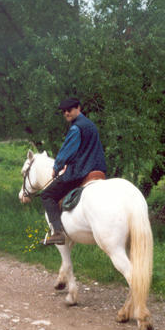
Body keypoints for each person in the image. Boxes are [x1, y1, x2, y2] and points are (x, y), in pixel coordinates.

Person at [41, 97, 107, 245]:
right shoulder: (90, 125)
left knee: (46, 195)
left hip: (80, 172)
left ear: (79, 108)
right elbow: (87, 150)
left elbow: (66, 151)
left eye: (69, 110)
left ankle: (57, 233)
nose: (66, 113)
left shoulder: (76, 128)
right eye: (64, 111)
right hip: (98, 169)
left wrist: (56, 168)